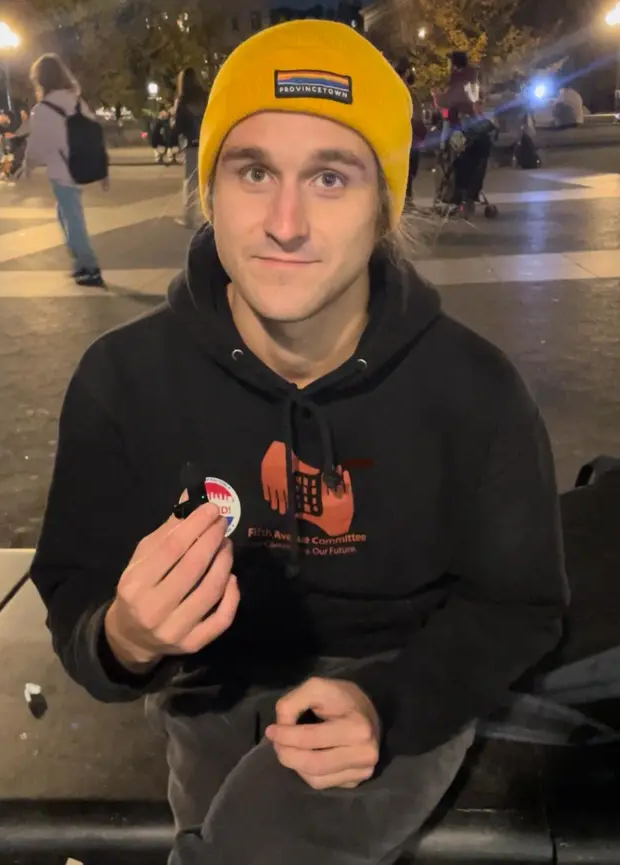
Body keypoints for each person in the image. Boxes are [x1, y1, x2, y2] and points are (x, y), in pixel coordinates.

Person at [29, 20, 569, 865]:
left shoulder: (474, 389)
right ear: (210, 190)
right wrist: (126, 637)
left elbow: (520, 603)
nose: (286, 223)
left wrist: (390, 703)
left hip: (403, 675)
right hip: (208, 684)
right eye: (254, 172)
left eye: (329, 176)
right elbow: (76, 597)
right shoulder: (121, 379)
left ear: (386, 204)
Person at [24, 54, 104, 288]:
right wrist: (102, 169)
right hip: (80, 166)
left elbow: (37, 145)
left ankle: (89, 266)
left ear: (40, 80)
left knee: (72, 219)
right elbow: (93, 132)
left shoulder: (42, 109)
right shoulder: (76, 101)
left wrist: (27, 166)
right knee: (66, 215)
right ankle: (81, 263)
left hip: (62, 171)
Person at [173, 67, 206, 229]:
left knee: (191, 182)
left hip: (192, 146)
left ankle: (189, 217)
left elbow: (178, 127)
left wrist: (173, 143)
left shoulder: (183, 101)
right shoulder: (205, 97)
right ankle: (209, 215)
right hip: (206, 143)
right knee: (207, 180)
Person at [396, 60, 427, 204]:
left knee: (408, 168)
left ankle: (406, 197)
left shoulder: (400, 91)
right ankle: (406, 198)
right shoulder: (404, 92)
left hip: (407, 135)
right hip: (407, 134)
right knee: (408, 168)